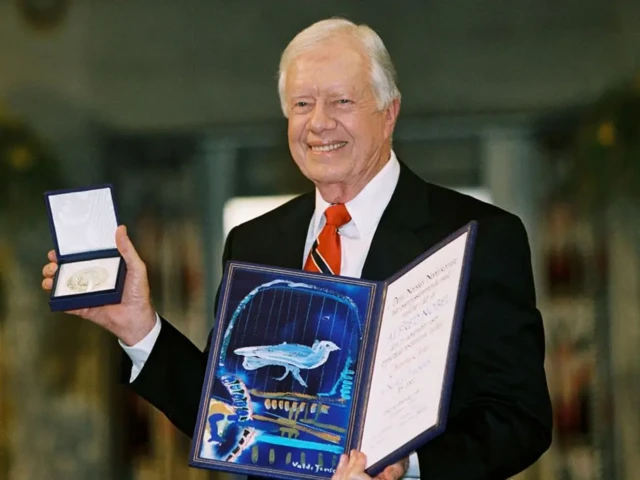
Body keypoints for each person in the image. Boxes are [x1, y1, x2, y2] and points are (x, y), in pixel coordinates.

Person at [41, 17, 552, 480]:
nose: (319, 122)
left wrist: (408, 468)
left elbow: (518, 418)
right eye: (302, 104)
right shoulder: (256, 240)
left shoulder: (477, 235)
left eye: (342, 102)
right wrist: (138, 326)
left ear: (389, 112)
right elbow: (230, 405)